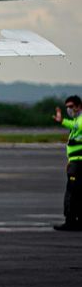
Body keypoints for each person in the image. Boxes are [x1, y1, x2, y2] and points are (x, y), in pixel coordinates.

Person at [53, 95, 82, 231]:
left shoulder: (80, 121)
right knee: (77, 191)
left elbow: (76, 126)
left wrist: (62, 121)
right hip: (75, 162)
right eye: (67, 108)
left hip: (79, 163)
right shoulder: (77, 120)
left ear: (78, 106)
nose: (69, 110)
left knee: (72, 192)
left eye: (71, 107)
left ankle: (71, 221)